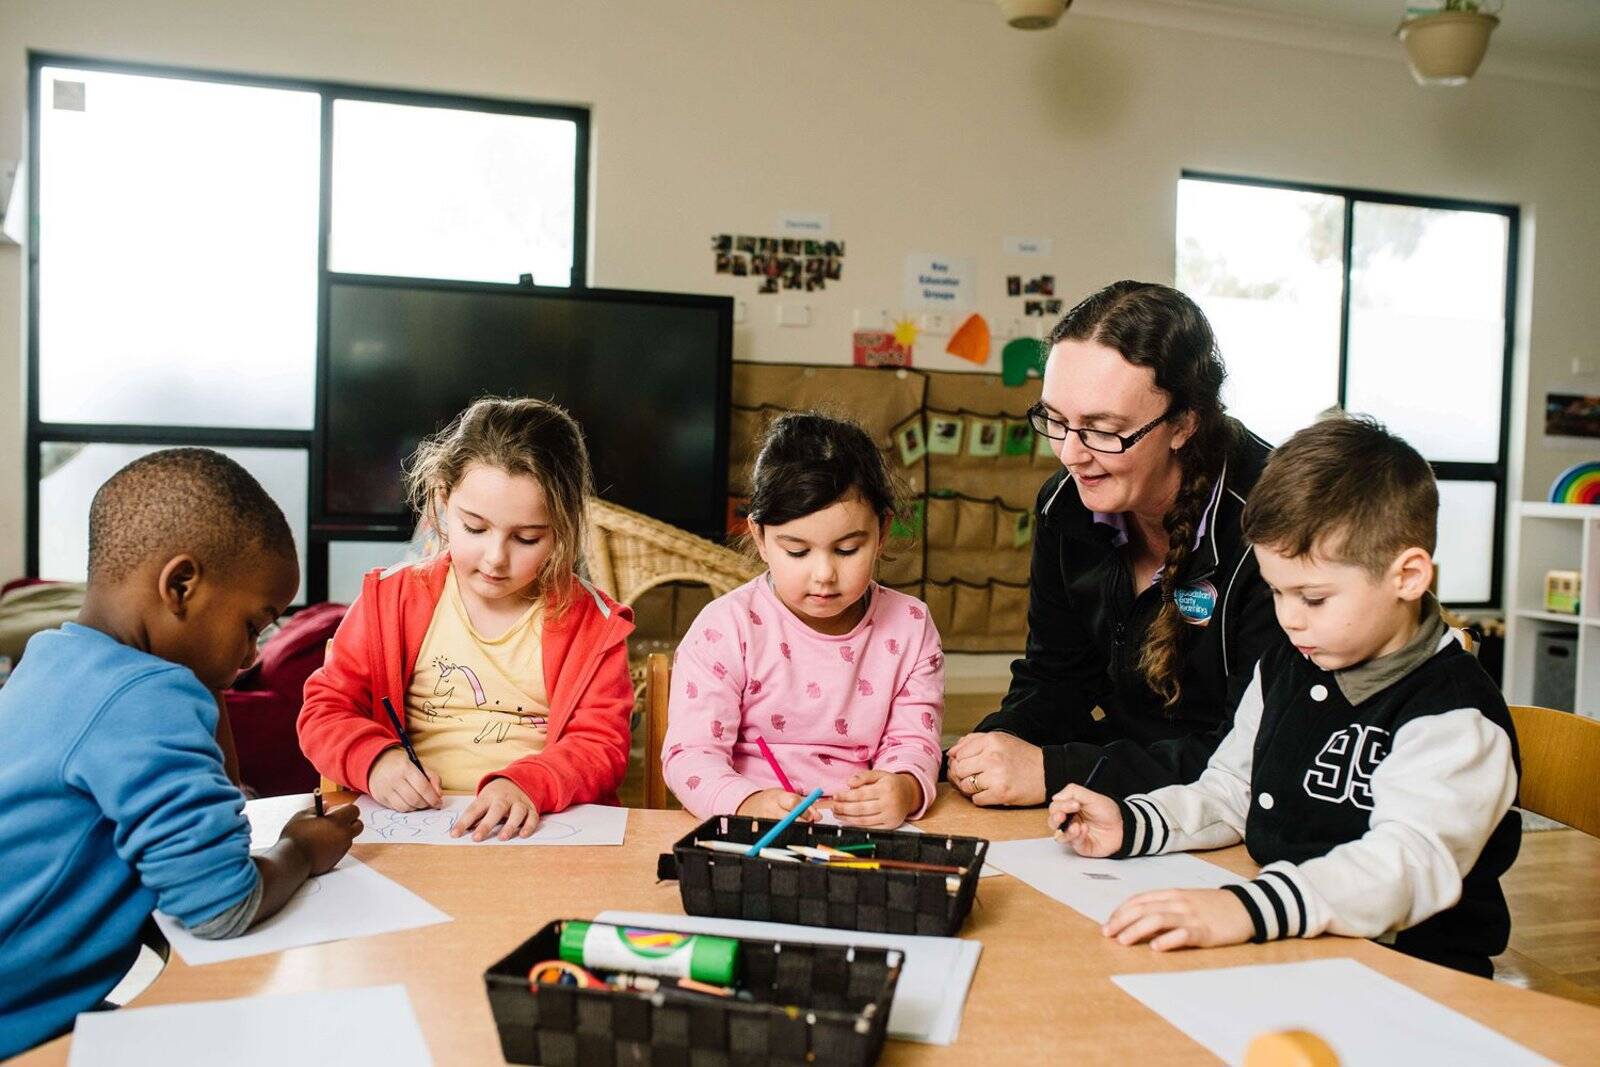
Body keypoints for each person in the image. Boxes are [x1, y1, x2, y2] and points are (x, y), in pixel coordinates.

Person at [1049, 416, 1520, 977]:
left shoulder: (1454, 717)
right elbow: (1230, 790)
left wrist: (1245, 908)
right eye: (1276, 591)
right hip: (1295, 944)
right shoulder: (1286, 666)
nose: (1289, 620)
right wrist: (1136, 822)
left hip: (1413, 974)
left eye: (1314, 598)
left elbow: (1405, 866)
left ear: (1409, 576)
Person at [0, 449, 360, 1057]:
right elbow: (220, 905)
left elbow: (228, 806)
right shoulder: (146, 700)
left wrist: (208, 681)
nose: (250, 657)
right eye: (252, 624)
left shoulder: (51, 659)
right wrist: (302, 850)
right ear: (181, 585)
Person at [947, 280, 1278, 806]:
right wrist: (994, 744)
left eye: (1103, 429)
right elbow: (1055, 677)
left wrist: (1056, 770)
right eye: (1056, 421)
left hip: (1231, 803)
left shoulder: (1276, 524)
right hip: (1121, 789)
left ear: (1183, 423)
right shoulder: (1066, 503)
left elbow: (1256, 752)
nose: (1071, 455)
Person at [298, 397, 634, 841]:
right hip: (411, 828)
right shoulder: (392, 598)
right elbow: (325, 711)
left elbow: (602, 744)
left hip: (541, 829)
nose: (496, 559)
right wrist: (375, 760)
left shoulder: (592, 622)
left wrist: (527, 784)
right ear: (441, 500)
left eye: (527, 538)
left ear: (564, 528)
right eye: (475, 529)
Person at [663, 412, 944, 829]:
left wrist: (904, 786)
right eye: (797, 552)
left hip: (862, 838)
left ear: (882, 531)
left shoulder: (910, 626)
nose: (824, 575)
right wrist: (746, 802)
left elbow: (914, 741)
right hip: (754, 834)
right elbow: (689, 755)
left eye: (848, 549)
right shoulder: (725, 629)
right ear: (759, 537)